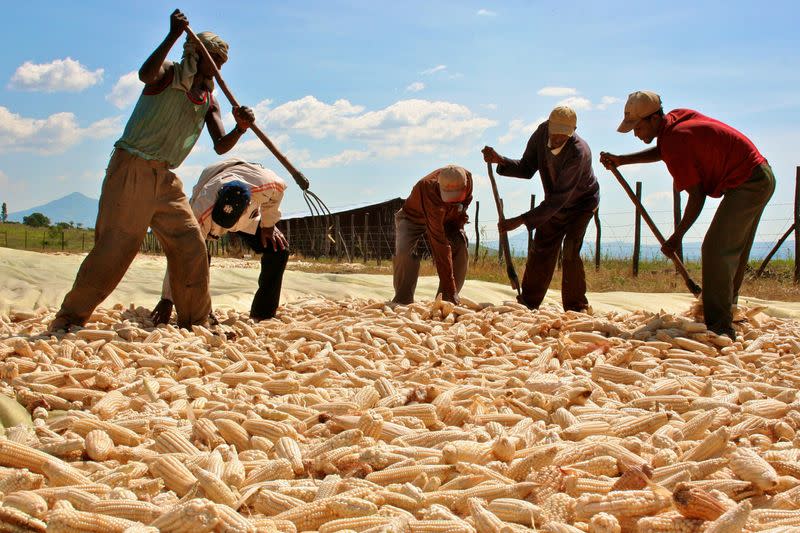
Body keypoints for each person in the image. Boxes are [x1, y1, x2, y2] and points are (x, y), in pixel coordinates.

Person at [49, 9, 255, 331]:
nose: (216, 69)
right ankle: (69, 318)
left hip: (165, 177)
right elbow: (145, 74)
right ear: (194, 54)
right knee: (117, 247)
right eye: (211, 60)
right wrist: (173, 34)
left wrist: (241, 128)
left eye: (221, 64)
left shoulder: (208, 100)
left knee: (190, 243)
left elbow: (220, 144)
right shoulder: (168, 74)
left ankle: (196, 320)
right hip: (133, 166)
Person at [600, 91, 775, 339]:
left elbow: (697, 196)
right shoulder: (673, 122)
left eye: (637, 128)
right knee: (731, 249)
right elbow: (665, 150)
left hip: (749, 182)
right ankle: (726, 308)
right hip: (758, 174)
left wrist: (676, 238)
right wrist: (622, 160)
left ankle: (720, 327)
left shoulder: (676, 139)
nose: (635, 134)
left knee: (716, 249)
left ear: (652, 119)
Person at [482, 105, 600, 312]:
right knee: (542, 247)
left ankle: (576, 307)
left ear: (572, 132)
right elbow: (526, 168)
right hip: (554, 204)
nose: (555, 140)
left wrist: (518, 221)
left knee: (571, 248)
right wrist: (500, 159)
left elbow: (557, 201)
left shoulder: (578, 153)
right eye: (554, 134)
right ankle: (528, 302)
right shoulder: (541, 133)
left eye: (562, 137)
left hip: (581, 204)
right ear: (549, 126)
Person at [151, 159, 289, 325]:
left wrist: (268, 224)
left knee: (278, 249)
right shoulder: (200, 210)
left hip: (249, 213)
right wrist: (167, 298)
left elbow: (278, 192)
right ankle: (202, 311)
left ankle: (263, 313)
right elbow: (181, 253)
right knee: (199, 256)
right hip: (211, 193)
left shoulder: (265, 184)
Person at [393, 165, 472, 305]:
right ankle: (403, 300)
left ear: (464, 185)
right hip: (412, 218)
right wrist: (450, 287)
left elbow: (466, 201)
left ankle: (446, 300)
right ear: (439, 186)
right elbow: (440, 246)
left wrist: (458, 215)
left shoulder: (468, 178)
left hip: (447, 216)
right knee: (404, 252)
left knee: (460, 245)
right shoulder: (427, 188)